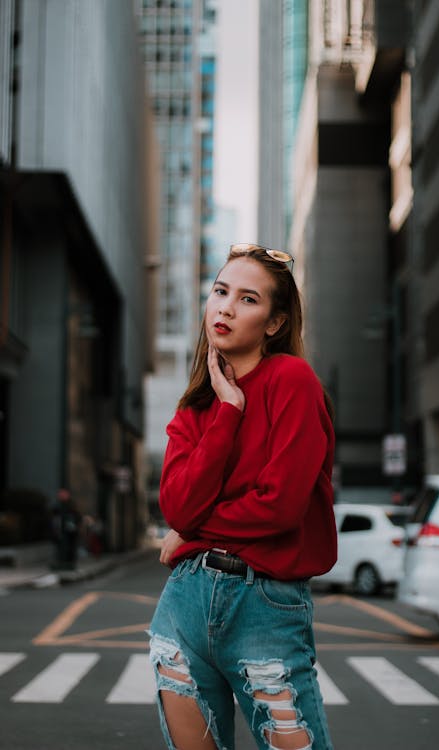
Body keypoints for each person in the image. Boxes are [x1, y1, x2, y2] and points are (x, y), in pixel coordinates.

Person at [149, 243, 337, 750]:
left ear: (274, 323)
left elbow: (281, 505)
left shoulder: (292, 381)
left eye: (248, 299)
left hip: (265, 606)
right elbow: (179, 508)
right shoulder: (195, 408)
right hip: (184, 606)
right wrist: (228, 411)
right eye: (220, 291)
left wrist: (191, 530)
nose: (226, 307)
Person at [50, 488, 81, 570]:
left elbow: (77, 517)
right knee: (60, 548)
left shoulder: (71, 506)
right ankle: (61, 563)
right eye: (60, 494)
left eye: (63, 494)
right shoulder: (57, 506)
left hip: (70, 532)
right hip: (60, 531)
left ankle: (69, 564)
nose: (61, 496)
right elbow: (54, 518)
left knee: (69, 548)